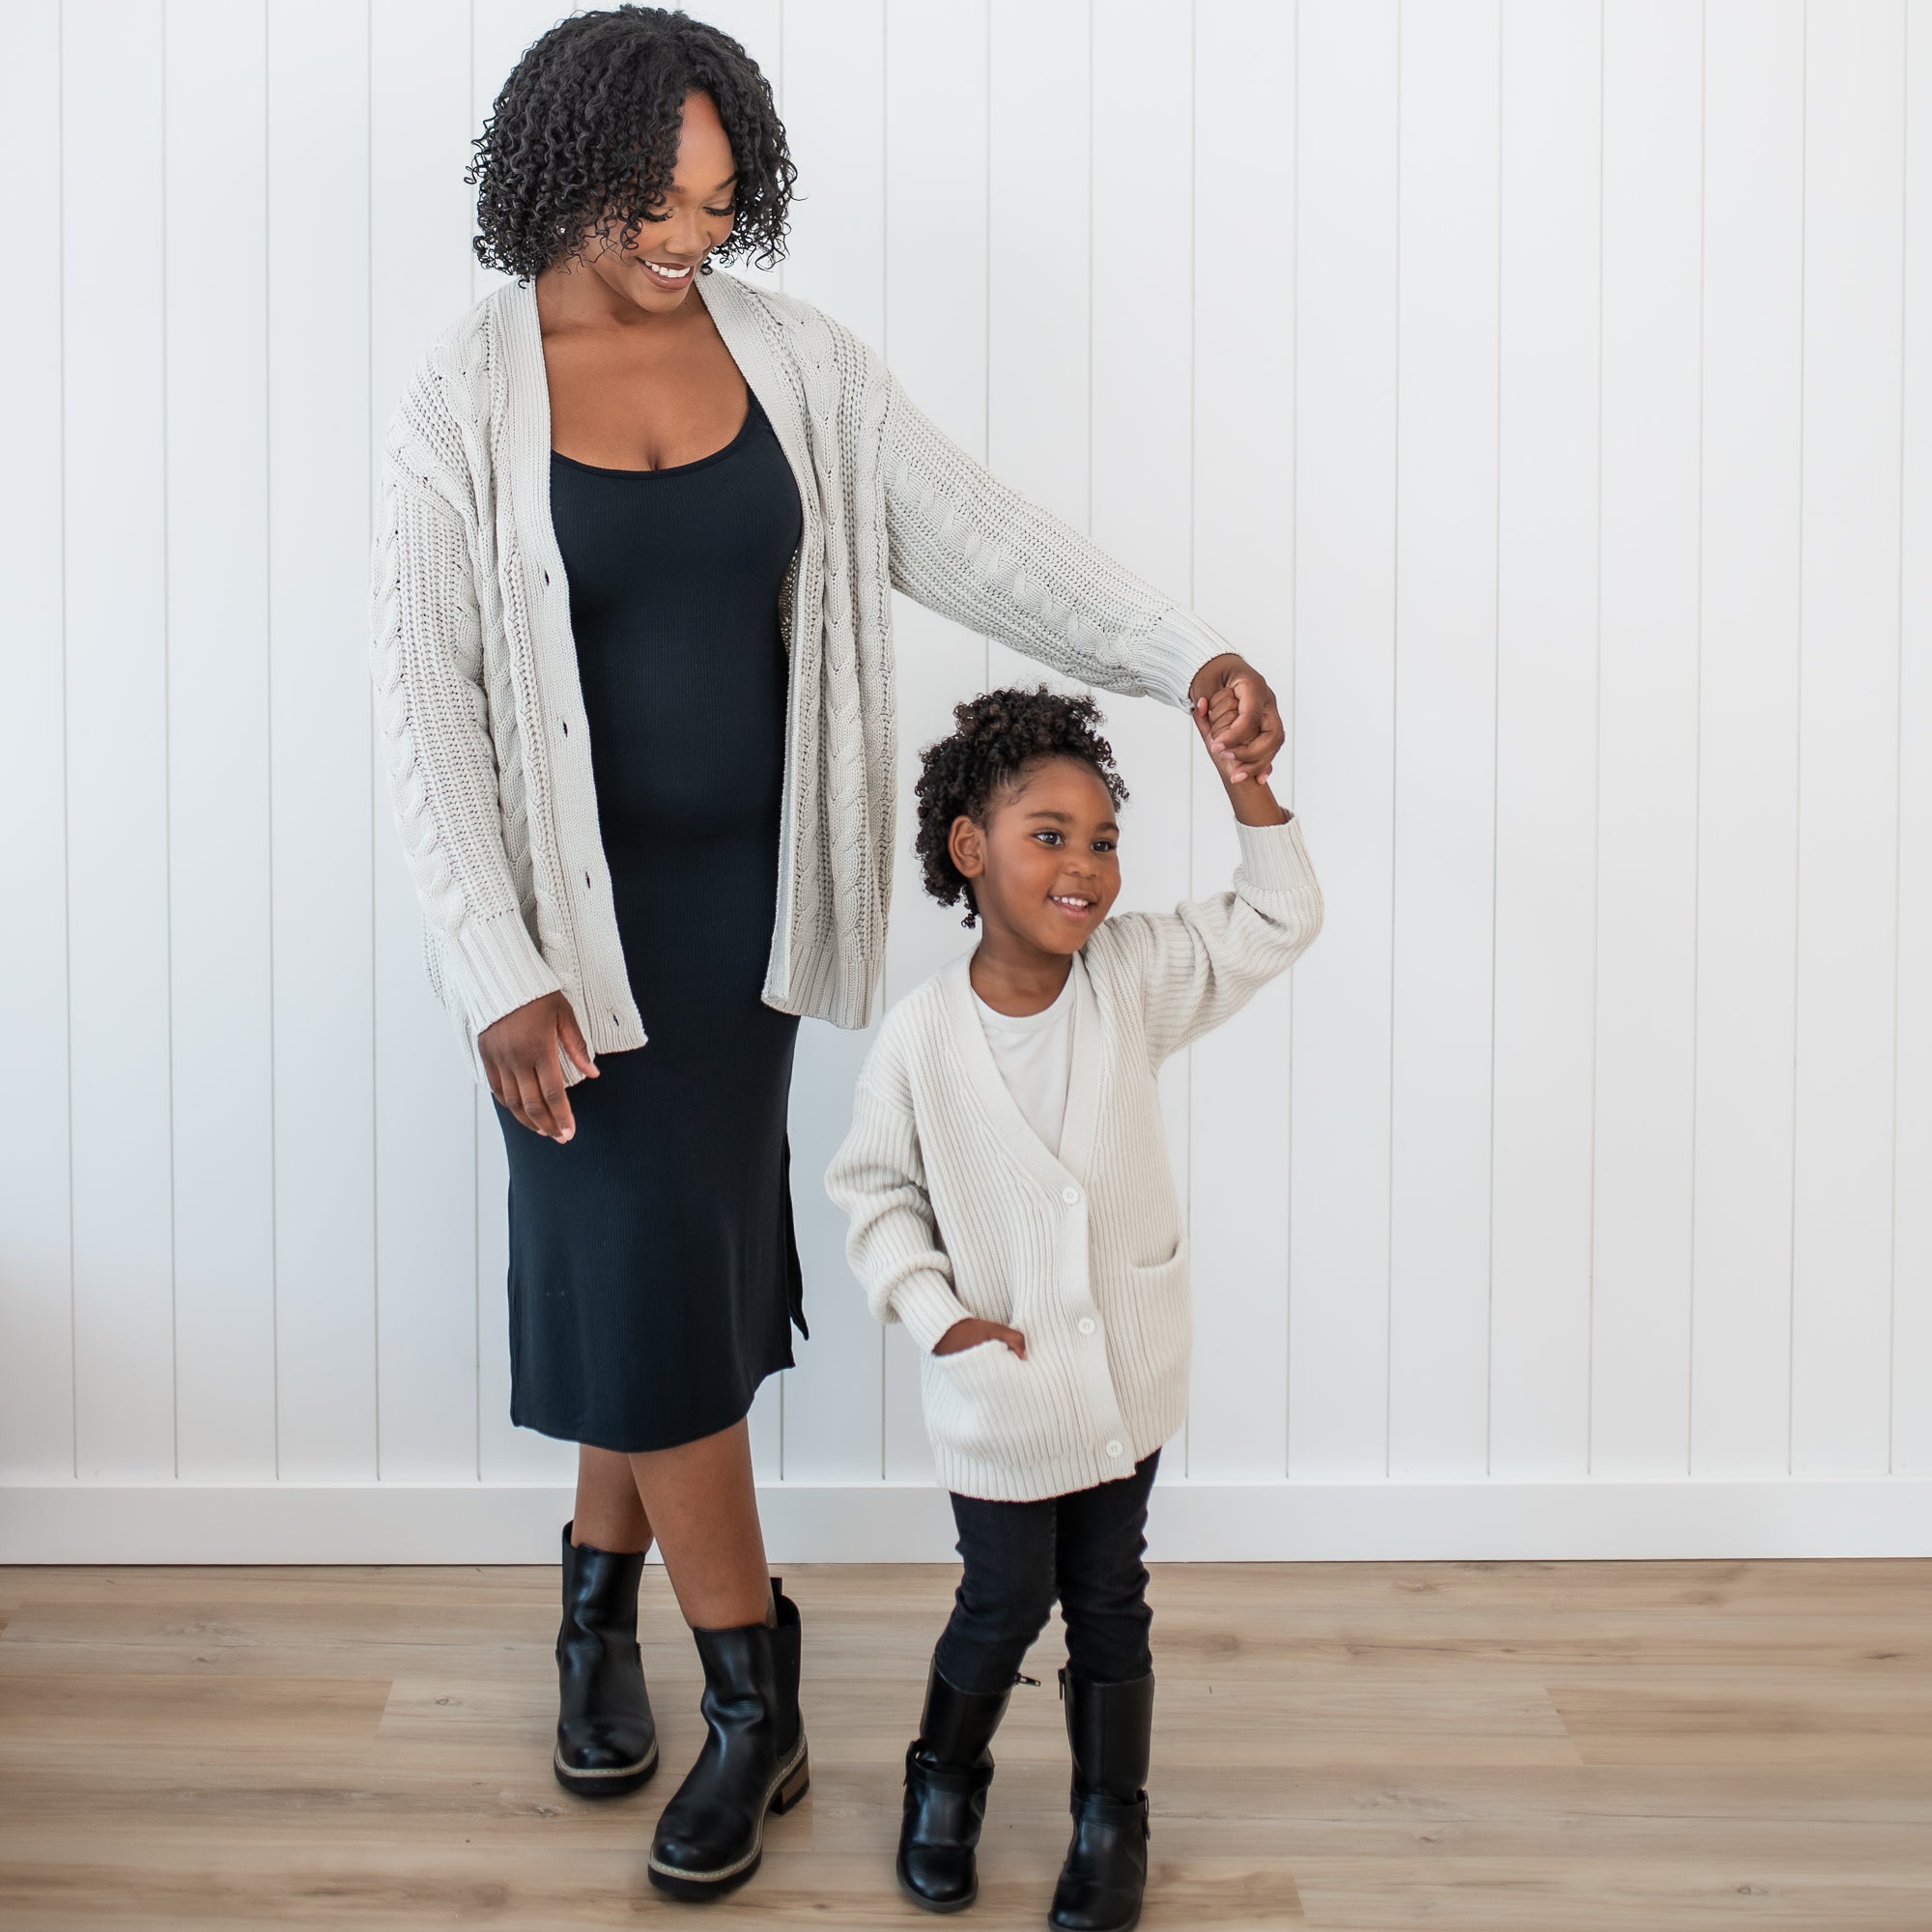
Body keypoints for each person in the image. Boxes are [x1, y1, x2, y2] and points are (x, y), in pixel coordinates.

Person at [371, 4, 1287, 1905]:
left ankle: (592, 1613)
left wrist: (1175, 646)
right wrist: (495, 964)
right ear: (562, 172)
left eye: (717, 206)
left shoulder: (798, 369)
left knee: (669, 1288)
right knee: (644, 1280)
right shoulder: (459, 401)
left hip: (747, 932)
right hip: (574, 945)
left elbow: (979, 538)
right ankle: (746, 1696)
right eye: (653, 206)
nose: (689, 242)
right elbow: (426, 711)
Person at [826, 687, 1321, 1928]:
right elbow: (874, 1192)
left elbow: (1281, 914)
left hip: (1125, 1376)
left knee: (1109, 1595)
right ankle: (943, 1775)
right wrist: (937, 1315)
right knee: (1000, 1599)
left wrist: (1245, 782)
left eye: (1102, 838)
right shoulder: (920, 1038)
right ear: (968, 850)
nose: (1084, 866)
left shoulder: (1134, 978)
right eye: (1047, 834)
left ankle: (1113, 1810)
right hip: (1001, 1394)